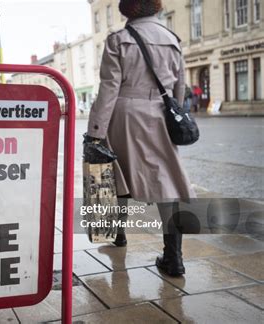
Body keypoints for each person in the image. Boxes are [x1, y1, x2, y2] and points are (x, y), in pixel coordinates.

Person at [85, 0, 196, 277]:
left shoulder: (118, 40)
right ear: (156, 8)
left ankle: (118, 235)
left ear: (127, 11)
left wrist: (95, 133)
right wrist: (175, 117)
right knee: (166, 183)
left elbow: (108, 89)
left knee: (117, 175)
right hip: (161, 114)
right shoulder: (172, 39)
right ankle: (174, 258)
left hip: (124, 116)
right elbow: (179, 85)